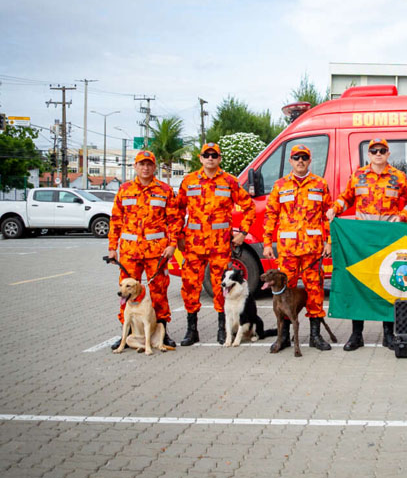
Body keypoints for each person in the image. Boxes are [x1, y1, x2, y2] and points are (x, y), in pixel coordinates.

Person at [326, 138, 407, 351]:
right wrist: (335, 209)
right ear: (368, 155)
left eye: (382, 150)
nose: (378, 154)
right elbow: (345, 198)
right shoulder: (358, 176)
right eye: (374, 150)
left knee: (389, 283)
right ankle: (356, 335)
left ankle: (388, 334)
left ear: (388, 154)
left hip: (388, 239)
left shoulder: (399, 177)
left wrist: (403, 216)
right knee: (360, 284)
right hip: (362, 241)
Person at [176, 142, 256, 346]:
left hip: (220, 246)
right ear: (200, 158)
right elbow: (176, 211)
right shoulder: (189, 181)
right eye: (206, 155)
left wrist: (242, 233)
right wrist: (178, 237)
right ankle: (191, 330)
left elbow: (249, 207)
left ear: (219, 159)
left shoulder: (229, 181)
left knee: (222, 289)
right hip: (193, 246)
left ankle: (223, 330)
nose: (210, 158)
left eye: (214, 155)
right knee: (190, 287)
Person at [108, 150, 181, 350]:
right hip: (130, 254)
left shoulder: (165, 190)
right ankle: (127, 333)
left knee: (159, 292)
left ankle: (162, 332)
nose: (145, 168)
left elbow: (174, 220)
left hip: (157, 254)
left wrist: (172, 244)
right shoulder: (124, 190)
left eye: (149, 164)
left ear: (154, 167)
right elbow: (115, 220)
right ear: (135, 166)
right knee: (127, 293)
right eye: (142, 164)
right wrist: (112, 248)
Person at [263, 144, 333, 351]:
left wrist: (329, 242)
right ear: (290, 161)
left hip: (312, 251)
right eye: (296, 157)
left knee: (315, 292)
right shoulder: (280, 185)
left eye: (304, 157)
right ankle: (283, 337)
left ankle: (315, 336)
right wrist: (267, 243)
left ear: (310, 161)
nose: (300, 160)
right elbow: (270, 215)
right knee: (283, 293)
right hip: (287, 253)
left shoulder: (320, 184)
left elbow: (327, 215)